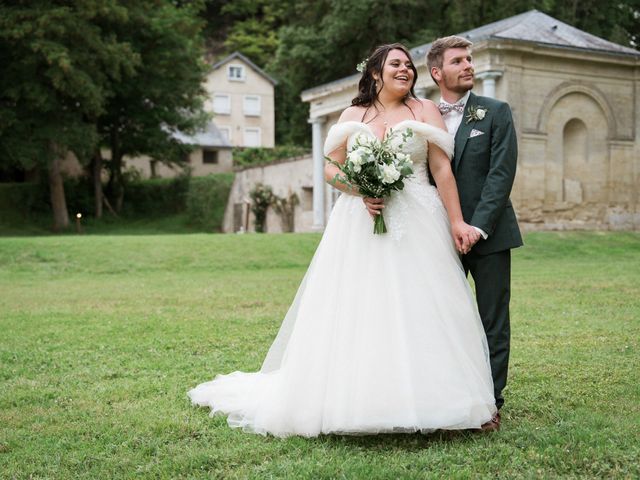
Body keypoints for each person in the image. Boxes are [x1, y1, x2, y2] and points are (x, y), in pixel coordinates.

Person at [188, 43, 497, 437]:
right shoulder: (353, 114)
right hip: (359, 222)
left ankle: (437, 398)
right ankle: (357, 399)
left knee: (422, 305)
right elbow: (331, 167)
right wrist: (359, 188)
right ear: (374, 73)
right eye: (396, 65)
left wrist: (456, 221)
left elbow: (441, 169)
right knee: (360, 306)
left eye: (409, 66)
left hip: (419, 219)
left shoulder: (425, 110)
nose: (405, 71)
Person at [427, 35, 524, 429]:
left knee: (492, 320)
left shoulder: (496, 111)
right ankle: (441, 395)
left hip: (490, 235)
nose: (469, 65)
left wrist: (476, 227)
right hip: (434, 237)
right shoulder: (423, 115)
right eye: (458, 61)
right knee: (438, 320)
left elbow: (501, 176)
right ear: (437, 72)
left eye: (470, 59)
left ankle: (489, 403)